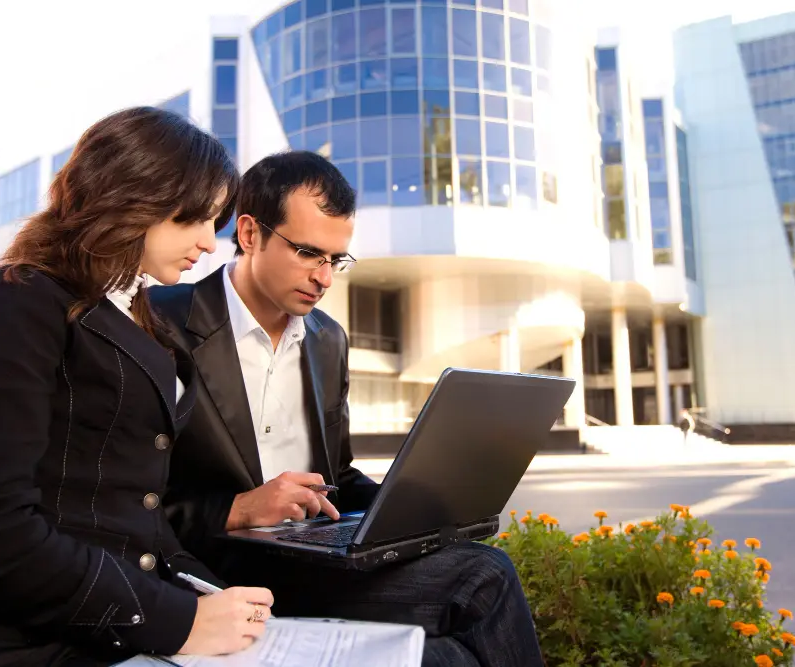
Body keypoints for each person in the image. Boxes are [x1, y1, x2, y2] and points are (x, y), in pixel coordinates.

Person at [151, 150, 544, 667]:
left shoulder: (327, 339)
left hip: (313, 561)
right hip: (215, 566)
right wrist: (239, 509)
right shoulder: (160, 325)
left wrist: (410, 508)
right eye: (309, 253)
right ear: (249, 234)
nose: (325, 277)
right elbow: (124, 501)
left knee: (466, 617)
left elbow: (337, 475)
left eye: (335, 259)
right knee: (479, 592)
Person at [0, 107, 274, 667]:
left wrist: (212, 595)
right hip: (24, 645)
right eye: (195, 219)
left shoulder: (137, 316)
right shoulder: (13, 303)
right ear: (133, 198)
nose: (210, 242)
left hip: (115, 630)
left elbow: (136, 517)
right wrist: (179, 621)